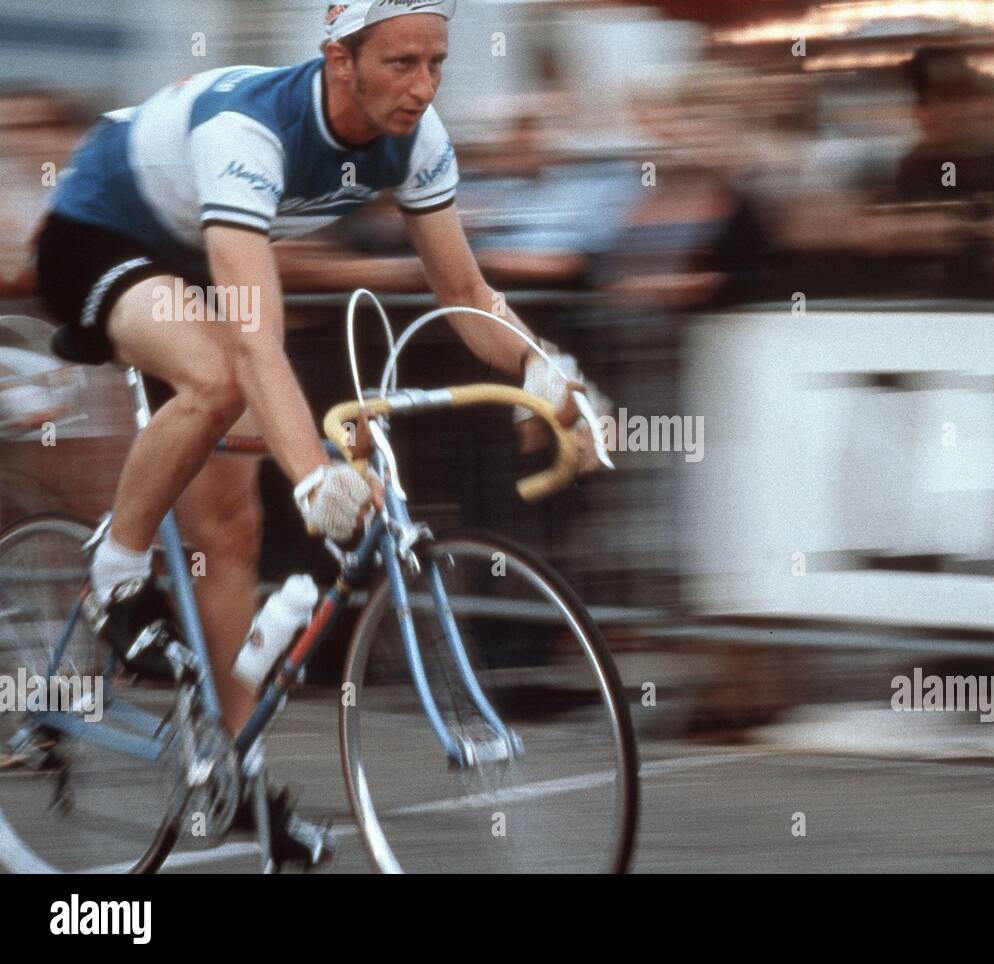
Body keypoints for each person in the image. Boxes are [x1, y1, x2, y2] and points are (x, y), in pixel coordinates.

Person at [30, 0, 608, 869]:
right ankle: (114, 571)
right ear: (340, 59)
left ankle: (232, 774)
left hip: (193, 254)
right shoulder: (249, 132)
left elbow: (466, 292)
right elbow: (255, 337)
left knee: (230, 532)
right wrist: (313, 478)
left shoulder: (417, 135)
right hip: (97, 233)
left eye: (436, 63)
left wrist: (546, 369)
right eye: (401, 64)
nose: (423, 87)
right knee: (222, 379)